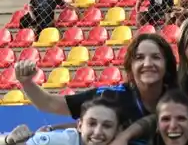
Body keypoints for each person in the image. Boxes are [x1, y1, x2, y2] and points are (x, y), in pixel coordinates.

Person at [17, 32, 176, 128]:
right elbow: (50, 103)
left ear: (166, 64)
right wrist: (27, 83)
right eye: (139, 58)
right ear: (130, 66)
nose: (147, 64)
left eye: (156, 57)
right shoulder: (110, 97)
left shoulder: (179, 98)